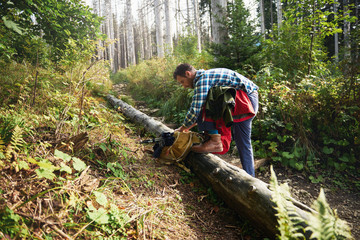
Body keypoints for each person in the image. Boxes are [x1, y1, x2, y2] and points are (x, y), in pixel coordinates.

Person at [173, 63, 259, 176]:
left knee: (243, 142)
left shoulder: (203, 79)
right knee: (242, 142)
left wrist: (183, 127)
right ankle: (250, 175)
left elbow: (196, 108)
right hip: (243, 98)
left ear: (188, 74)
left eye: (182, 82)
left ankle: (215, 141)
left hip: (245, 100)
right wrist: (186, 127)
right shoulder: (205, 77)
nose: (184, 86)